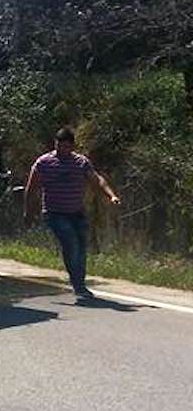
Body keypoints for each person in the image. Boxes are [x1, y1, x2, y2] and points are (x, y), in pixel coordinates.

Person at [24, 127, 121, 299]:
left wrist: (111, 195)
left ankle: (79, 283)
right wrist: (28, 212)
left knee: (81, 248)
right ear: (55, 144)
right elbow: (31, 189)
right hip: (55, 213)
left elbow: (97, 179)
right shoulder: (44, 163)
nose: (63, 149)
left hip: (77, 212)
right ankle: (78, 285)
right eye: (60, 145)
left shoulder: (80, 162)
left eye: (67, 146)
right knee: (71, 243)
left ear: (72, 146)